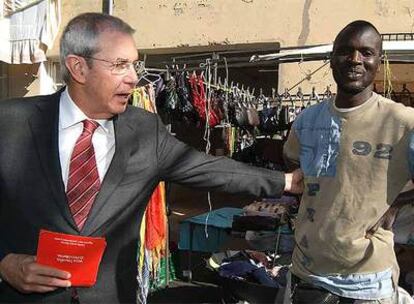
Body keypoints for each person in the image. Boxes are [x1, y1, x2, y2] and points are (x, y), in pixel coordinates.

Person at [0, 12, 303, 304]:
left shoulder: (144, 130)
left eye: (134, 65)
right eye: (120, 65)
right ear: (78, 68)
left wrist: (285, 181)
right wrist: (4, 264)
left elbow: (208, 168)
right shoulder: (11, 123)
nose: (133, 78)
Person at [283, 20, 414, 303]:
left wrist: (396, 206)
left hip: (367, 280)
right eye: (345, 51)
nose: (355, 60)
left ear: (379, 61)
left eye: (366, 52)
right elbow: (294, 169)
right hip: (306, 272)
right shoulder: (307, 121)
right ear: (332, 59)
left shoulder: (402, 122)